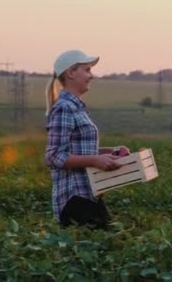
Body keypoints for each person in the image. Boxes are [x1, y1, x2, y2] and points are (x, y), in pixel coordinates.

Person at [44, 49, 129, 229]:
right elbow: (53, 156)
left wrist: (110, 153)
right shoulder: (64, 108)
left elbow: (77, 150)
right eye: (87, 70)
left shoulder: (77, 107)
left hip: (89, 195)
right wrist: (95, 160)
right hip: (74, 199)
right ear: (71, 73)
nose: (92, 76)